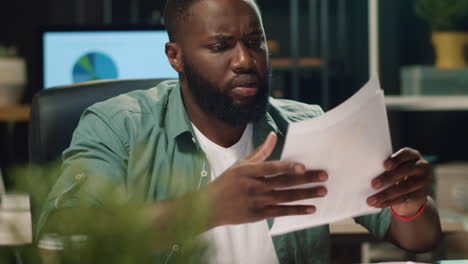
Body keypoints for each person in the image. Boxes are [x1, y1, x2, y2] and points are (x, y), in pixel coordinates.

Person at [38, 0, 442, 263]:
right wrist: (206, 208)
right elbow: (62, 239)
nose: (245, 60)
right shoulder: (119, 126)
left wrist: (409, 203)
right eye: (220, 46)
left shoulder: (305, 126)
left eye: (255, 42)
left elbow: (417, 238)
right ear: (175, 57)